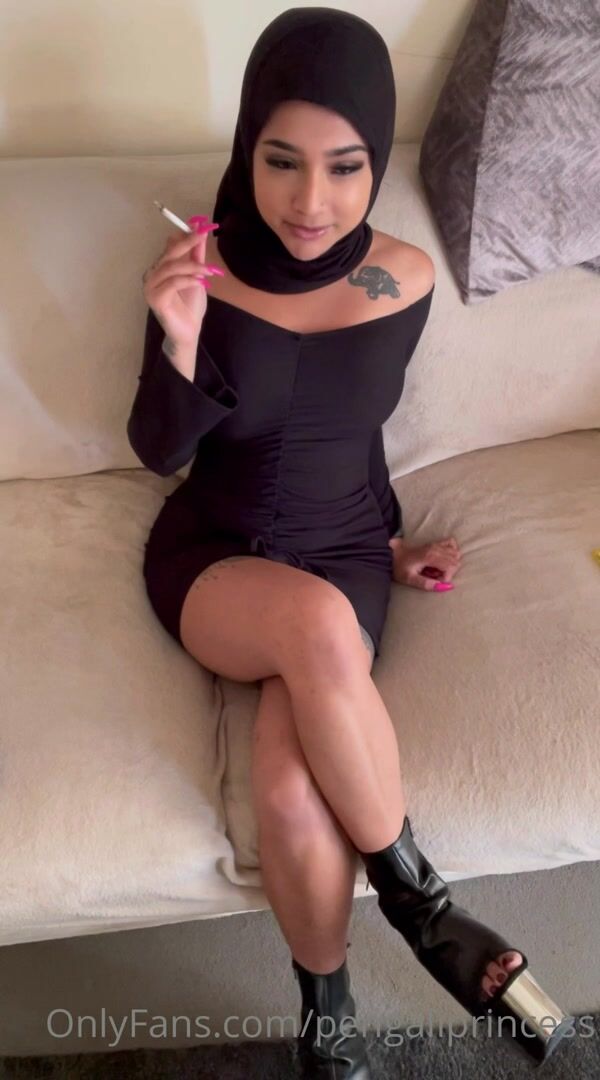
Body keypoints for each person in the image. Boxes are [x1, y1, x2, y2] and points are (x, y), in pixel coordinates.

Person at [127, 8, 572, 1077]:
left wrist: (390, 541)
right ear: (248, 150)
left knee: (290, 791)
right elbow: (157, 449)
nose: (309, 201)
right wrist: (179, 336)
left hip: (342, 555)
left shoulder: (403, 281)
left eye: (344, 166)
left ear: (376, 160)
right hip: (219, 557)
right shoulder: (201, 269)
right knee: (316, 622)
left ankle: (328, 1034)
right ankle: (426, 911)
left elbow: (354, 428)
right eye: (281, 161)